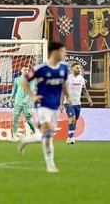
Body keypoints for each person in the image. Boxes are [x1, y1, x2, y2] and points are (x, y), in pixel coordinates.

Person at [18, 42, 70, 173]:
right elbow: (24, 81)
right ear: (55, 52)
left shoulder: (64, 68)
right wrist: (32, 96)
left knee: (47, 136)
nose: (65, 54)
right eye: (63, 51)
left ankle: (25, 140)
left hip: (54, 106)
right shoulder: (40, 68)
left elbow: (64, 84)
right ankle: (50, 165)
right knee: (47, 132)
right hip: (41, 105)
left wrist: (68, 97)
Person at [63, 63, 93, 144]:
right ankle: (72, 137)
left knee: (74, 121)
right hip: (68, 103)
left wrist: (89, 98)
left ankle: (69, 137)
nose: (79, 69)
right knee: (72, 119)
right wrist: (60, 104)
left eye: (79, 68)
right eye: (77, 68)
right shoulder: (68, 78)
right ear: (72, 69)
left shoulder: (81, 79)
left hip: (78, 103)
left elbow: (84, 90)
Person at [10, 66, 36, 141]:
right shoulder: (17, 79)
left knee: (28, 119)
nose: (27, 71)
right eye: (25, 69)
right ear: (21, 70)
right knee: (15, 118)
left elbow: (31, 90)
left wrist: (27, 98)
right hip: (18, 102)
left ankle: (36, 133)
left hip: (26, 103)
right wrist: (11, 98)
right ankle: (14, 135)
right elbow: (14, 90)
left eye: (28, 70)